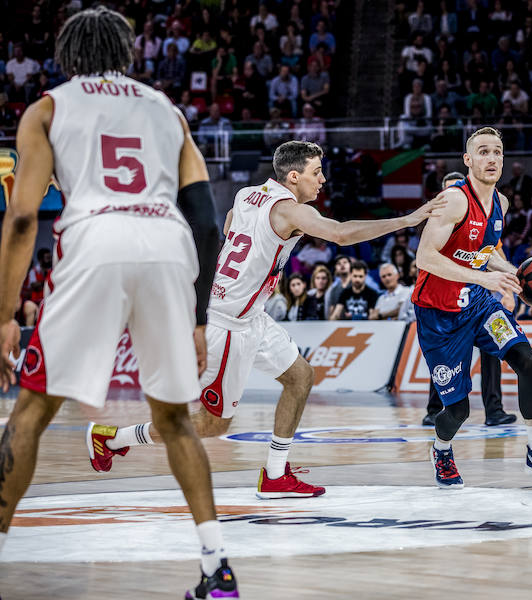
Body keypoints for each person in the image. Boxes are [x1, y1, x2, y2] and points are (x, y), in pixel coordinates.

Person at [0, 8, 239, 598]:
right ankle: (217, 568)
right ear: (128, 53)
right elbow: (207, 222)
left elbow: (25, 216)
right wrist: (201, 315)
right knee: (175, 420)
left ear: (67, 55)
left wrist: (4, 315)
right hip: (168, 246)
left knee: (30, 413)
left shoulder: (48, 108)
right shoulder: (168, 111)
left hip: (95, 244)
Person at [90, 142, 444, 506]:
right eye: (316, 172)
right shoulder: (288, 210)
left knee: (300, 377)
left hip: (250, 314)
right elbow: (339, 234)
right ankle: (114, 438)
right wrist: (407, 220)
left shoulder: (247, 194)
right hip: (228, 323)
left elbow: (229, 227)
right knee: (214, 425)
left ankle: (275, 474)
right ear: (294, 176)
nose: (322, 180)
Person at [413, 127, 532, 489]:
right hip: (439, 316)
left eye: (498, 152)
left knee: (527, 360)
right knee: (458, 410)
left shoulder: (500, 203)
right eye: (483, 152)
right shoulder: (453, 200)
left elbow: (487, 253)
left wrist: (515, 274)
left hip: (478, 305)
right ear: (468, 160)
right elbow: (424, 258)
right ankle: (441, 450)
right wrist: (483, 277)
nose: (492, 158)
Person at [421, 171, 515, 427]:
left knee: (494, 350)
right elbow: (426, 258)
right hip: (442, 300)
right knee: (443, 358)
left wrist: (507, 291)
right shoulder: (441, 222)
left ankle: (494, 409)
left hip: (476, 296)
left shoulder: (484, 216)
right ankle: (434, 409)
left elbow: (494, 255)